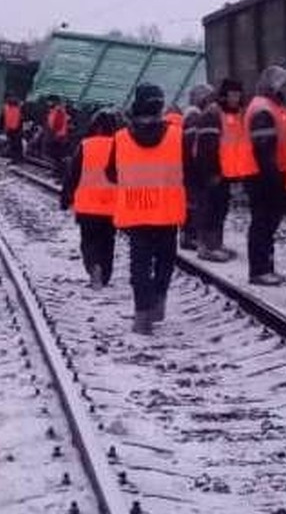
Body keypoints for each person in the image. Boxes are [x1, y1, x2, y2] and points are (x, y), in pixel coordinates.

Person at [107, 84, 186, 334]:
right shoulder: (176, 135)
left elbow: (110, 174)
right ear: (160, 106)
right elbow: (190, 168)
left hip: (136, 211)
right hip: (166, 211)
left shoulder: (121, 138)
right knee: (165, 260)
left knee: (139, 265)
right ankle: (159, 301)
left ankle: (141, 316)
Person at [195, 78, 254, 261]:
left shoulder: (237, 114)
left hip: (227, 172)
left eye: (238, 94)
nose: (236, 98)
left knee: (220, 209)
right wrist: (212, 172)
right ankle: (207, 246)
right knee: (211, 209)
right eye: (232, 94)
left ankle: (216, 244)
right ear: (224, 95)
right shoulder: (213, 114)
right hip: (214, 172)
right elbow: (207, 146)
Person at [245, 65, 286, 285]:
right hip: (264, 176)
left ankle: (265, 267)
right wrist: (272, 175)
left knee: (267, 223)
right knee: (263, 223)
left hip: (270, 173)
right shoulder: (264, 109)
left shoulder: (272, 107)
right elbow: (263, 147)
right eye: (283, 84)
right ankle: (259, 270)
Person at [61, 109, 119, 288]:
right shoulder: (119, 145)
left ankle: (93, 266)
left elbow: (72, 175)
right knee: (108, 241)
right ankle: (105, 274)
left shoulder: (85, 145)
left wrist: (66, 197)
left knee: (88, 239)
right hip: (112, 204)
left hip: (87, 204)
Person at [180, 83, 215, 251]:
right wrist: (200, 165)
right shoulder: (194, 116)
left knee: (192, 202)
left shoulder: (191, 115)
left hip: (188, 166)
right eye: (208, 97)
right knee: (194, 202)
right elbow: (192, 144)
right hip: (192, 168)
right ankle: (190, 236)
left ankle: (190, 235)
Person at [46, 96, 70, 170]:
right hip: (58, 134)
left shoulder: (58, 111)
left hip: (58, 135)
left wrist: (53, 133)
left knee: (57, 153)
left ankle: (58, 168)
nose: (48, 103)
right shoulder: (56, 110)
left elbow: (57, 124)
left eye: (49, 101)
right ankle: (57, 168)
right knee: (56, 153)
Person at [1, 95, 24, 161]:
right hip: (10, 129)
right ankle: (13, 157)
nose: (10, 99)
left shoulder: (18, 108)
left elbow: (19, 119)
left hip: (16, 129)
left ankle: (18, 158)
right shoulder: (6, 107)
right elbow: (6, 118)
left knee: (16, 144)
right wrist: (6, 128)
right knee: (11, 143)